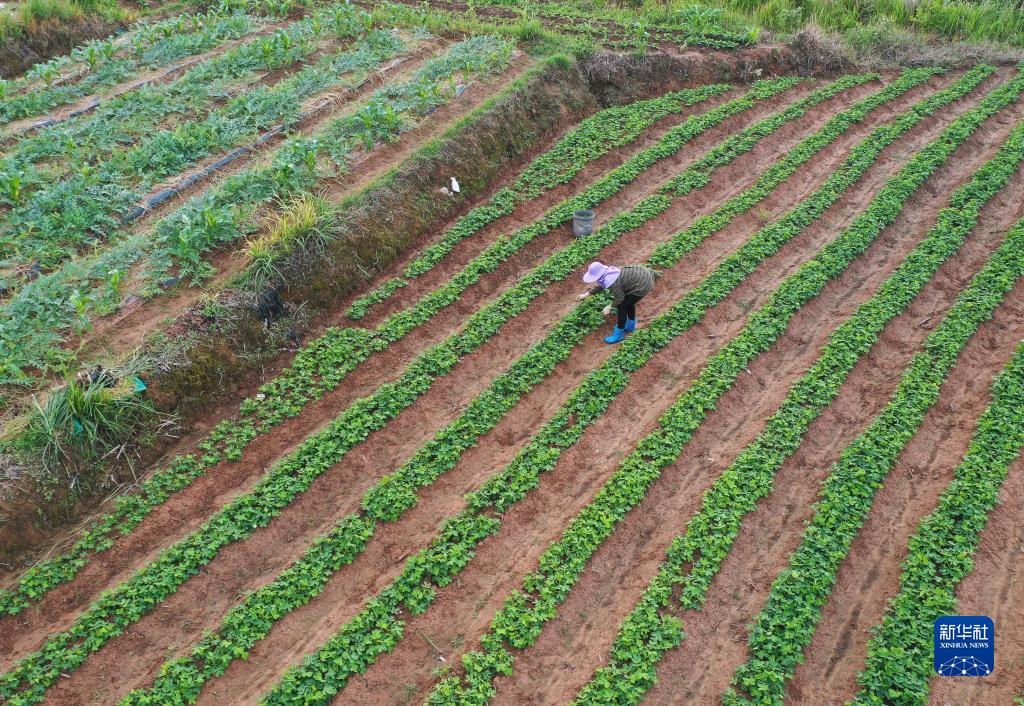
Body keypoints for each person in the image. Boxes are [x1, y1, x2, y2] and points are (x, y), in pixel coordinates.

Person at [577, 261, 658, 344]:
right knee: (628, 303)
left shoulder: (612, 281)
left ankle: (618, 335)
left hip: (643, 284)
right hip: (641, 275)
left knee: (622, 306)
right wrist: (586, 294)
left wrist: (609, 306)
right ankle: (630, 326)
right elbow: (602, 285)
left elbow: (620, 298)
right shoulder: (608, 272)